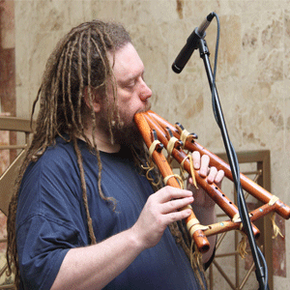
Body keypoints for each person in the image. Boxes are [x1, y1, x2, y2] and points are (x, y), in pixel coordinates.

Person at [6, 20, 224, 290]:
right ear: (93, 99)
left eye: (142, 77)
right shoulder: (52, 170)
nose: (147, 92)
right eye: (130, 84)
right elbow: (46, 279)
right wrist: (136, 236)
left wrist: (203, 207)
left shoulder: (140, 156)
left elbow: (196, 259)